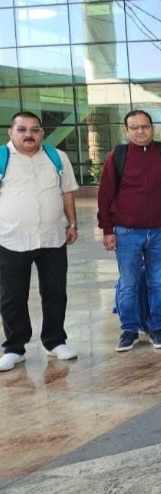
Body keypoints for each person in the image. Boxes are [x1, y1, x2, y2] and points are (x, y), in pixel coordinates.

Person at [0, 112, 80, 372]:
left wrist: (72, 223)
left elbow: (67, 192)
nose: (29, 134)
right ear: (11, 132)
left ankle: (55, 341)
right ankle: (15, 348)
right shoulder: (2, 158)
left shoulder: (57, 157)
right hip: (11, 238)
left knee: (55, 292)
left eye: (35, 129)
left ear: (42, 133)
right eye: (22, 129)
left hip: (52, 237)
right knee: (12, 296)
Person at [97, 110, 161, 352]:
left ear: (152, 128)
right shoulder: (118, 156)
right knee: (128, 284)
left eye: (145, 126)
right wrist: (107, 229)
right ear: (127, 130)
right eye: (135, 127)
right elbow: (105, 194)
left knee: (157, 282)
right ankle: (129, 330)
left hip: (160, 231)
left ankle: (156, 327)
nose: (141, 131)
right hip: (127, 232)